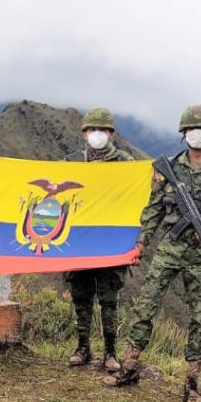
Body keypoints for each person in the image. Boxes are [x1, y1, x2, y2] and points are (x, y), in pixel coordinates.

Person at [103, 104, 201, 402]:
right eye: (191, 130)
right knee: (146, 306)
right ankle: (129, 366)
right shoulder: (168, 168)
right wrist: (141, 244)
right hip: (170, 249)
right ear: (184, 134)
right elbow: (154, 209)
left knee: (200, 318)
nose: (197, 135)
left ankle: (192, 381)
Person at [63, 108, 134, 371]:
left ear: (111, 133)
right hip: (78, 242)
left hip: (111, 243)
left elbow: (138, 200)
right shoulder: (71, 163)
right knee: (81, 297)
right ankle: (82, 348)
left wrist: (135, 243)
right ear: (84, 133)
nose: (97, 134)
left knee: (109, 300)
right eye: (92, 129)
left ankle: (110, 353)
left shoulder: (126, 164)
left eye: (102, 130)